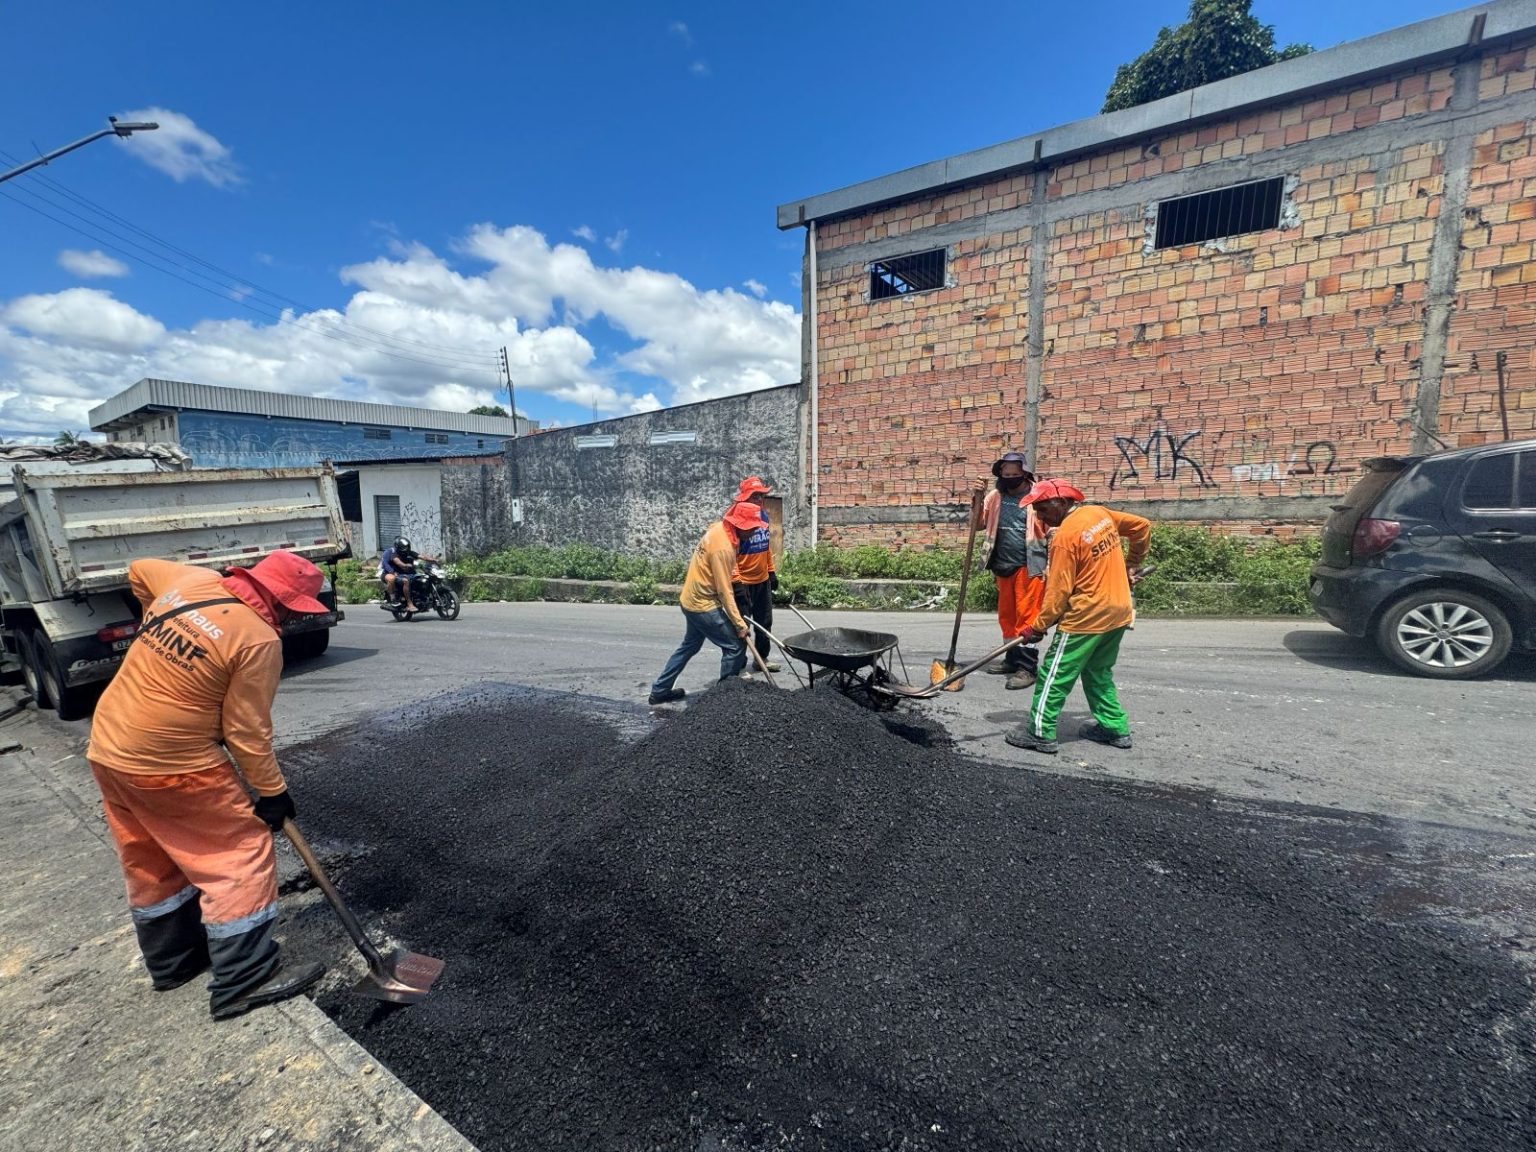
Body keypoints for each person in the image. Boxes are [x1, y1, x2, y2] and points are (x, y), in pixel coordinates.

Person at [86, 551, 331, 1019]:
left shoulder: (191, 582)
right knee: (239, 852)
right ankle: (243, 979)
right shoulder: (258, 640)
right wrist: (273, 793)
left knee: (151, 852)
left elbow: (139, 569)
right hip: (173, 762)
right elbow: (245, 732)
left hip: (109, 745)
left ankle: (173, 963)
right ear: (283, 603)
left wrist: (153, 629)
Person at [1003, 479, 1151, 756]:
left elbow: (1057, 594)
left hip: (1086, 617)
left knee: (1053, 675)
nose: (1040, 517)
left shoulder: (1064, 539)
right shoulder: (1099, 514)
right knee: (1097, 672)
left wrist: (1037, 626)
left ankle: (1039, 732)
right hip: (1118, 611)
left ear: (1060, 503)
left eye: (1042, 510)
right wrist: (1132, 563)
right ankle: (1114, 727)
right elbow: (1142, 527)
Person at [648, 502, 762, 705]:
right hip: (702, 604)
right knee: (735, 646)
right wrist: (739, 624)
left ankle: (660, 690)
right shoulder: (723, 549)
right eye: (752, 528)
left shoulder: (718, 528)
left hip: (691, 599)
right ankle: (723, 701)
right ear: (741, 525)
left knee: (689, 646)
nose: (754, 532)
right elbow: (724, 591)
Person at [970, 451, 1047, 690]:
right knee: (1007, 618)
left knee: (1027, 618)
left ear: (1024, 474)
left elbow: (1051, 527)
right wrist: (977, 496)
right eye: (1006, 474)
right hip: (1001, 563)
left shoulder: (1037, 496)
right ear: (1000, 474)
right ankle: (1012, 659)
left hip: (1029, 564)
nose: (1010, 477)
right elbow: (978, 524)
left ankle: (1027, 667)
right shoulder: (995, 496)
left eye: (1015, 474)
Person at [730, 476, 780, 674]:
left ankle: (761, 659)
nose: (760, 500)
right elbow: (730, 553)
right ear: (745, 498)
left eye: (762, 496)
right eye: (755, 496)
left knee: (764, 621)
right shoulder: (735, 520)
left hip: (762, 580)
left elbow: (765, 547)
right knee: (742, 626)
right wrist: (736, 582)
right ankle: (738, 665)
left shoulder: (764, 517)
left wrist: (771, 570)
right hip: (743, 582)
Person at [379, 536, 438, 616]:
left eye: (407, 547)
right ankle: (409, 603)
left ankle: (423, 597)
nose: (405, 549)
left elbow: (421, 556)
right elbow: (398, 563)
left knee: (422, 578)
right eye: (403, 547)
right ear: (398, 547)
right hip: (391, 573)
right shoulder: (392, 552)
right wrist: (405, 565)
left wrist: (432, 560)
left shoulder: (408, 552)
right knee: (405, 581)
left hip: (403, 573)